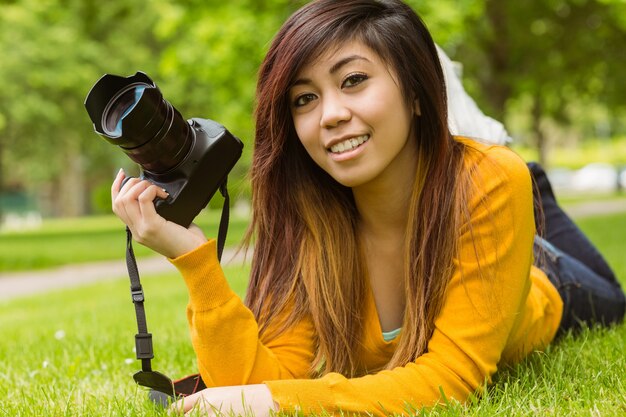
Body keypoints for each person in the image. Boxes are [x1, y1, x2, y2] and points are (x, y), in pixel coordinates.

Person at [111, 1, 625, 415]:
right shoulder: (306, 216)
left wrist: (277, 404)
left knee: (616, 304)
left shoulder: (489, 183)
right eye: (303, 99)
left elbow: (452, 380)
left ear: (417, 95)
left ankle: (504, 159)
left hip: (544, 273)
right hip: (448, 183)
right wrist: (194, 259)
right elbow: (251, 386)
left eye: (353, 79)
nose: (329, 115)